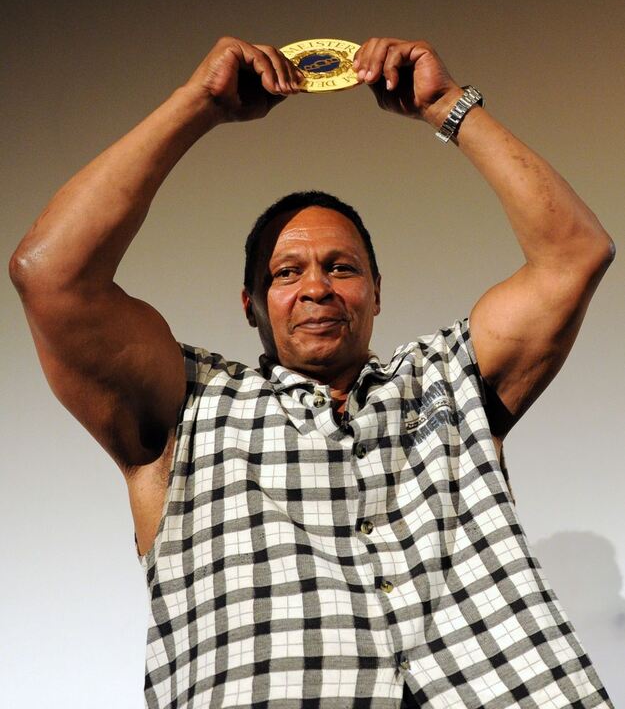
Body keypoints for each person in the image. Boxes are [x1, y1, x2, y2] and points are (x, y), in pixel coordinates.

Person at [10, 36, 615, 709]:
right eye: (286, 272)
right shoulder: (189, 407)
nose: (317, 288)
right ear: (250, 304)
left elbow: (575, 254)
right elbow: (52, 275)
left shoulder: (448, 379)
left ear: (376, 293)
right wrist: (197, 105)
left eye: (342, 268)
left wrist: (448, 105)